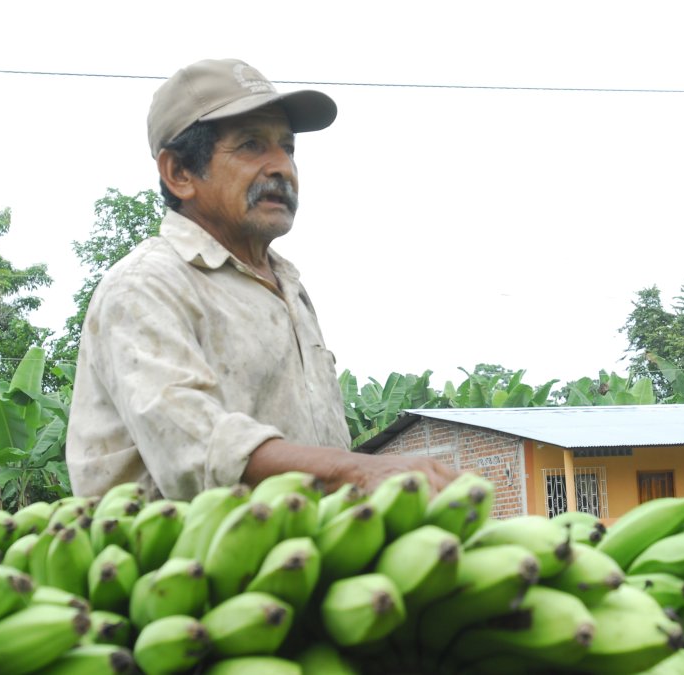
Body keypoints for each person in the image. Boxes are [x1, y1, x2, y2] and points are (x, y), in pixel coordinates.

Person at [66, 58, 458, 501]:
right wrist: (359, 471)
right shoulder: (146, 286)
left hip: (302, 555)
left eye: (287, 148)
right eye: (251, 146)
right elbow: (197, 450)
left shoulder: (288, 286)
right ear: (179, 173)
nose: (282, 168)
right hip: (174, 563)